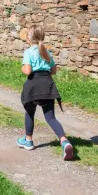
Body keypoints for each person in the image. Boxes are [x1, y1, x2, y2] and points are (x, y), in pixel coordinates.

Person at [17, 27, 74, 160]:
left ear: (29, 39)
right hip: (47, 84)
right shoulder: (46, 52)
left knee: (30, 112)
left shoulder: (29, 52)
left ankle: (28, 141)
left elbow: (27, 71)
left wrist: (22, 67)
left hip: (33, 85)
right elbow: (53, 70)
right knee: (50, 118)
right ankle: (64, 141)